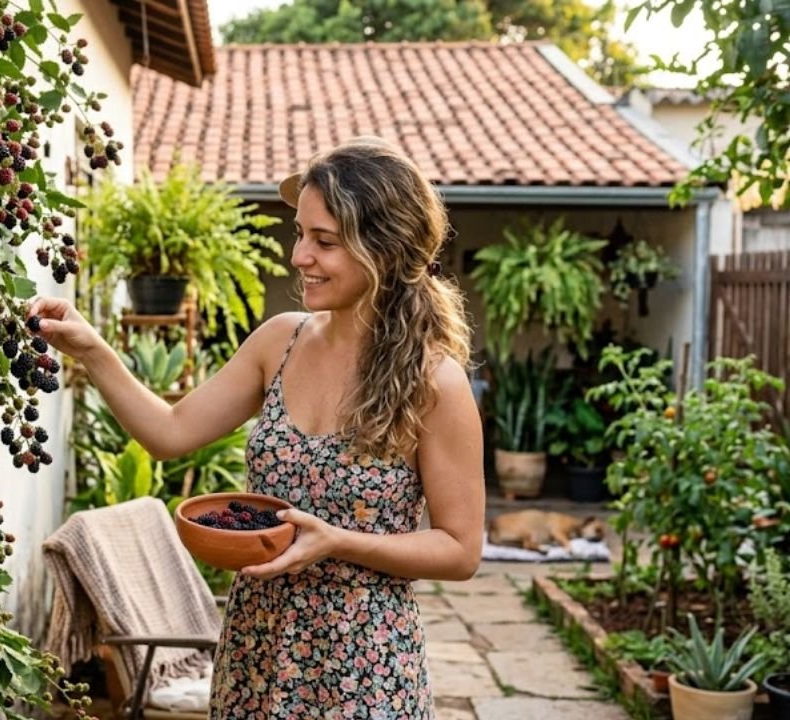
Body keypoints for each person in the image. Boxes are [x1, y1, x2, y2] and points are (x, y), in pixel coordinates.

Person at [29, 136, 484, 719]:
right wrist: (91, 349)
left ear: (386, 252)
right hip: (255, 645)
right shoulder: (281, 341)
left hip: (362, 665)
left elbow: (460, 548)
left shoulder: (434, 381)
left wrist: (339, 542)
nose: (299, 256)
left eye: (324, 241)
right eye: (300, 233)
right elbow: (169, 432)